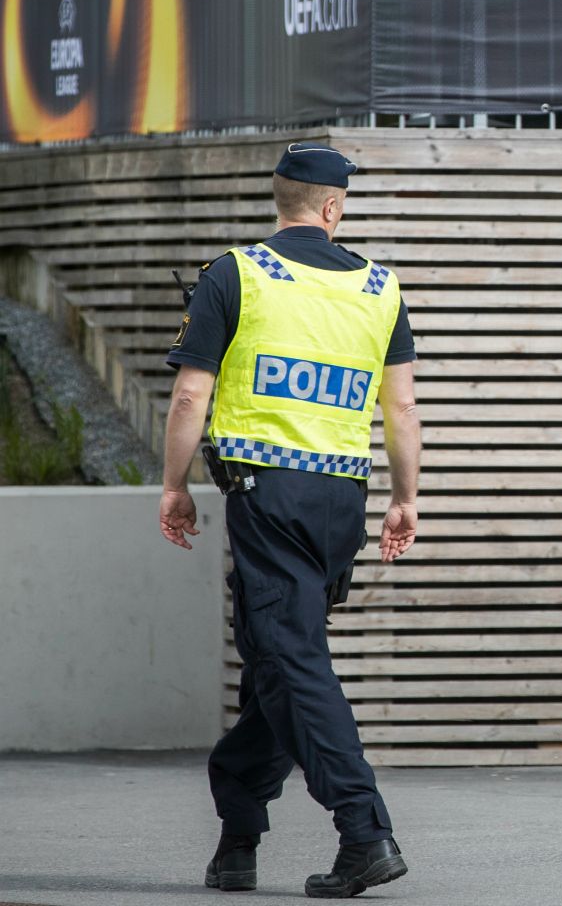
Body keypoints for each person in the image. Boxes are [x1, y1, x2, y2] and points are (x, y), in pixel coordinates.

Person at [157, 142, 421, 898]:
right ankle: (238, 829)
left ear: (283, 200)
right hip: (343, 500)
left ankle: (364, 831)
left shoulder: (237, 274)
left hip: (267, 495)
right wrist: (406, 497)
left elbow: (188, 398)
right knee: (278, 658)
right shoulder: (380, 287)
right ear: (333, 208)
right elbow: (400, 406)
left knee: (292, 661)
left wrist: (173, 485)